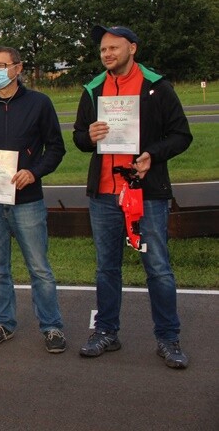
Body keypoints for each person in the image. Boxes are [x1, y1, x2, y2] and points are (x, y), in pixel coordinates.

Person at [73, 25, 193, 369]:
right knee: (106, 268)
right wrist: (89, 136)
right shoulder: (93, 89)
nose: (107, 54)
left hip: (147, 194)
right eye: (103, 50)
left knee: (158, 268)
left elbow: (181, 135)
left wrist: (152, 155)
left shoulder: (157, 86)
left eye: (114, 48)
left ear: (132, 49)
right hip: (104, 195)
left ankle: (168, 338)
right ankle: (106, 332)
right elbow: (79, 138)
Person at [0, 46, 67, 354]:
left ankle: (52, 326)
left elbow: (56, 148)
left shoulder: (39, 103)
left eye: (1, 65)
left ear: (17, 68)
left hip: (28, 201)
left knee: (39, 268)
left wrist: (34, 172)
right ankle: (3, 323)